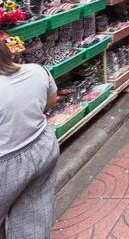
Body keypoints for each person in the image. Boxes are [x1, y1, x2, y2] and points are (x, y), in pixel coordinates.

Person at [0, 39, 59, 238]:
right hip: (43, 145)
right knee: (33, 217)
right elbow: (49, 101)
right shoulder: (37, 71)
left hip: (6, 164)